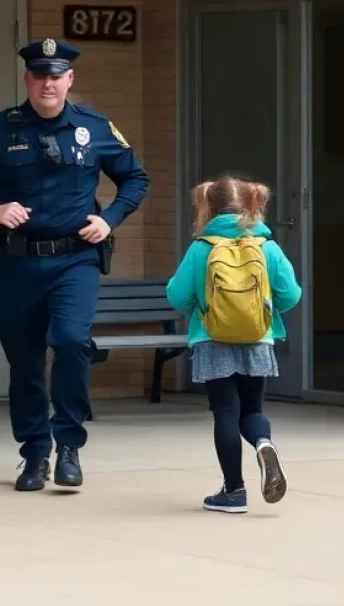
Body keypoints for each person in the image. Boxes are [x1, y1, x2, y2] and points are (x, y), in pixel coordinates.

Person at [0, 39, 148, 492]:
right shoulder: (5, 128)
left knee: (69, 342)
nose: (48, 83)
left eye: (56, 75)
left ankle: (69, 445)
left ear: (70, 80)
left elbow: (135, 178)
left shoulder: (95, 127)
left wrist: (110, 219)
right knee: (24, 363)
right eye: (40, 75)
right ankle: (34, 455)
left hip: (75, 260)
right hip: (17, 262)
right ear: (27, 79)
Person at [167, 176, 301, 513]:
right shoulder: (267, 246)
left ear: (208, 206)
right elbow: (291, 294)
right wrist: (262, 312)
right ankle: (263, 442)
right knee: (252, 410)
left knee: (225, 412)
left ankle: (234, 491)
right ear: (253, 203)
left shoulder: (202, 247)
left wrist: (204, 310)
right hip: (257, 338)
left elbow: (177, 294)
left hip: (213, 340)